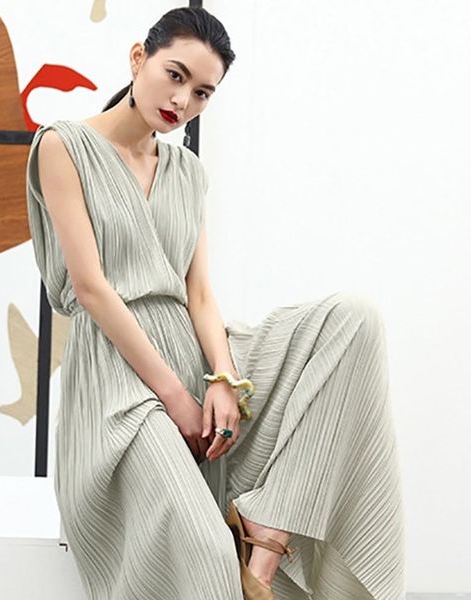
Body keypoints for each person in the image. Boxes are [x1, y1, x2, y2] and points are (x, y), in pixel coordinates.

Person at [25, 7, 406, 600]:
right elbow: (92, 287)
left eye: (202, 93)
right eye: (175, 76)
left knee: (353, 320)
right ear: (138, 58)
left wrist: (224, 379)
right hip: (117, 383)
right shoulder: (63, 145)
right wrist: (177, 398)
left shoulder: (187, 170)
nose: (183, 101)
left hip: (193, 353)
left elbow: (198, 292)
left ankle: (267, 529)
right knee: (205, 554)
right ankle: (239, 551)